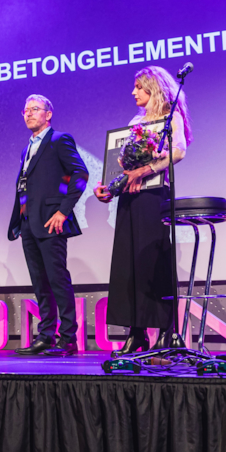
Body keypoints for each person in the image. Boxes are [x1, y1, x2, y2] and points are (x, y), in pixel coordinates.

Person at [94, 66, 192, 357]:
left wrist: (145, 170)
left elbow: (179, 151)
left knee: (153, 262)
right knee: (129, 263)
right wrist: (109, 189)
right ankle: (136, 334)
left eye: (138, 87)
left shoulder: (171, 118)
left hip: (154, 198)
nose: (133, 92)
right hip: (130, 199)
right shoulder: (135, 122)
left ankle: (165, 331)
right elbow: (122, 164)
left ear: (153, 87)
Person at [8, 95, 88, 357]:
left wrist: (63, 212)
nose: (28, 113)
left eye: (34, 109)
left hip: (51, 221)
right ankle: (46, 336)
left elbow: (80, 174)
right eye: (25, 110)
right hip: (28, 222)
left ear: (48, 114)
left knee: (57, 279)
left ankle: (68, 338)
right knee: (40, 282)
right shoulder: (27, 149)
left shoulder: (59, 140)